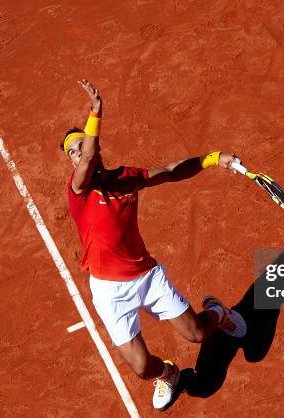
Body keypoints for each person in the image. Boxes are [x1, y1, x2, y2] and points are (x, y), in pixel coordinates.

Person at [60, 79, 247, 410]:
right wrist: (95, 113)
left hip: (146, 276)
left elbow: (172, 172)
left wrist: (213, 158)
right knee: (143, 367)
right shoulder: (80, 192)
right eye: (72, 153)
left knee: (198, 335)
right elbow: (88, 158)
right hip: (108, 290)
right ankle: (169, 375)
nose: (80, 155)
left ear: (98, 147)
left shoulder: (127, 178)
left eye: (81, 146)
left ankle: (218, 311)